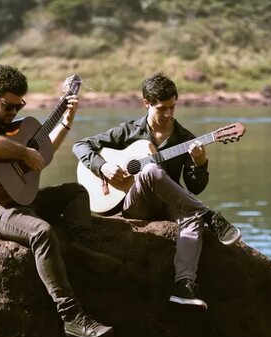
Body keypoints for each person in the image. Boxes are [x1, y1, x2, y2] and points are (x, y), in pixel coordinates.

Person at [0, 64, 113, 337]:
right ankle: (72, 317)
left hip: (19, 198)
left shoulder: (15, 127)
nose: (14, 113)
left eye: (20, 106)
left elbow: (44, 154)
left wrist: (66, 121)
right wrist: (24, 153)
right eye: (8, 106)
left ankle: (82, 247)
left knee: (75, 192)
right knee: (41, 232)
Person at [72, 72, 241, 310]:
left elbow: (195, 188)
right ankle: (211, 216)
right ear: (147, 104)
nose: (169, 114)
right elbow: (80, 146)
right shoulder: (129, 131)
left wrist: (200, 163)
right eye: (162, 109)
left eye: (173, 107)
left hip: (167, 204)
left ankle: (183, 285)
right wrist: (104, 167)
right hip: (134, 203)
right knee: (151, 169)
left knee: (191, 214)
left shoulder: (185, 138)